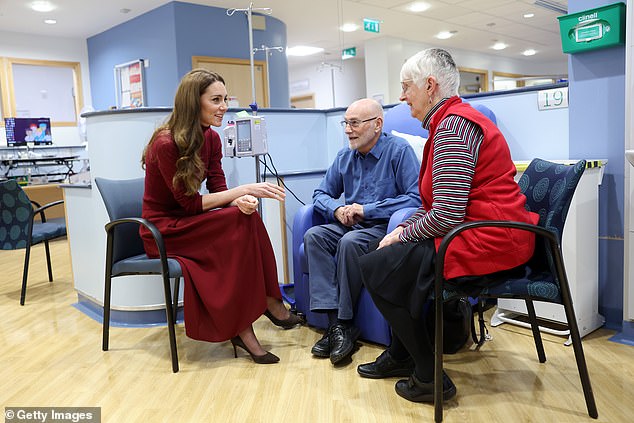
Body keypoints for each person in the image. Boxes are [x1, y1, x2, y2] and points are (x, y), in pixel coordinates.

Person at [357, 49, 539, 402]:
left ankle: (427, 376)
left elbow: (446, 216)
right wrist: (403, 230)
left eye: (406, 86)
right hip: (479, 230)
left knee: (377, 268)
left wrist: (399, 233)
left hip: (489, 238)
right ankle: (401, 354)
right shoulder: (451, 121)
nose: (401, 96)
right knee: (388, 262)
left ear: (430, 85)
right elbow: (436, 206)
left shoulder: (455, 127)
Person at [140, 69, 303, 365]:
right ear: (193, 102)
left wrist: (240, 200)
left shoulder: (211, 138)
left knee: (245, 217)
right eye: (216, 100)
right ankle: (261, 309)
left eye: (225, 98)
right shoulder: (164, 144)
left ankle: (259, 310)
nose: (224, 106)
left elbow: (218, 188)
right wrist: (241, 191)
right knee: (237, 223)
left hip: (190, 222)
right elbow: (189, 205)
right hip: (163, 230)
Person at [305, 98, 420, 365]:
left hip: (384, 227)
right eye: (346, 123)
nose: (348, 130)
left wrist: (366, 210)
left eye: (354, 123)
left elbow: (414, 199)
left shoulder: (398, 151)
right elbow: (320, 193)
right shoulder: (345, 156)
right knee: (315, 237)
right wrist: (336, 210)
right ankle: (335, 328)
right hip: (349, 223)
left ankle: (345, 323)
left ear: (377, 125)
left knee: (350, 241)